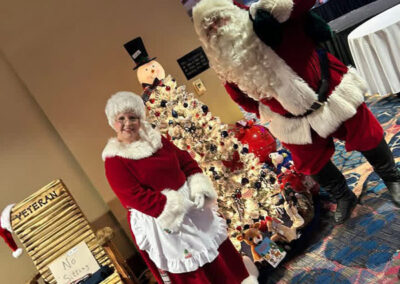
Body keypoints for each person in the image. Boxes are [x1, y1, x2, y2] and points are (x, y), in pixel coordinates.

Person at [192, 0, 400, 225]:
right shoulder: (222, 61)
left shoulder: (268, 18)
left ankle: (392, 178)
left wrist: (273, 7)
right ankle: (343, 196)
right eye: (208, 28)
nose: (217, 28)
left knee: (365, 133)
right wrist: (271, 109)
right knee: (311, 162)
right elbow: (238, 96)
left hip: (330, 92)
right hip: (290, 119)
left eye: (219, 19)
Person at [102, 91, 258, 284]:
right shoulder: (114, 159)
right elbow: (132, 196)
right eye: (121, 119)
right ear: (113, 122)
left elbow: (185, 161)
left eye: (132, 117)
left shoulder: (157, 140)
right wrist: (176, 206)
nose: (127, 123)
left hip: (193, 206)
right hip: (163, 220)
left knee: (218, 252)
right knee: (192, 267)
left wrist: (197, 186)